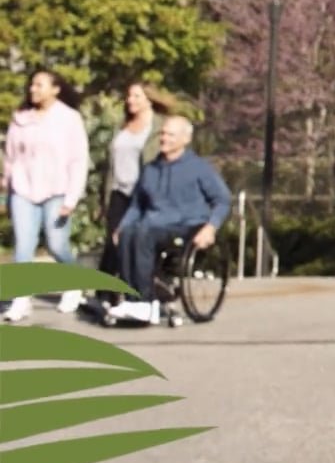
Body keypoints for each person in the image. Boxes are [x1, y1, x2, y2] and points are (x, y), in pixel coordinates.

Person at [104, 115, 232, 326]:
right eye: (163, 134)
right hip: (153, 223)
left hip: (187, 225)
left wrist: (211, 227)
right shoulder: (150, 169)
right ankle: (132, 298)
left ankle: (143, 301)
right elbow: (137, 204)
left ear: (185, 139)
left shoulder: (200, 168)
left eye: (171, 135)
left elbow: (222, 200)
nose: (164, 138)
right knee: (128, 233)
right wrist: (123, 226)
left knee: (143, 233)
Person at [3, 68, 91, 322]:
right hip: (23, 190)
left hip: (56, 190)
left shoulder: (69, 118)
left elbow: (78, 160)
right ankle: (21, 299)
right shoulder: (21, 117)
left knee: (56, 244)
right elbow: (10, 155)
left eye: (39, 85)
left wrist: (71, 198)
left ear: (55, 89)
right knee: (24, 245)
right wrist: (7, 185)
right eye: (32, 84)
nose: (33, 89)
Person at [95, 82, 165, 307]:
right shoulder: (122, 126)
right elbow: (109, 164)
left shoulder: (159, 127)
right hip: (119, 191)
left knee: (137, 243)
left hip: (144, 194)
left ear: (149, 99)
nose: (130, 100)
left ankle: (142, 291)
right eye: (129, 96)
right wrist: (103, 198)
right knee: (113, 243)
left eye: (136, 96)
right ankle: (105, 294)